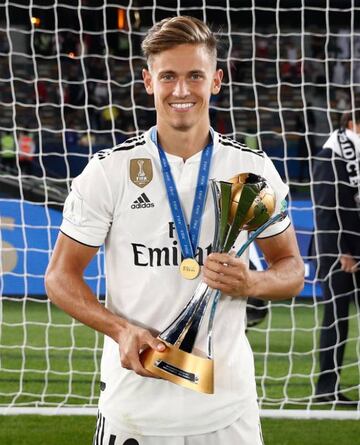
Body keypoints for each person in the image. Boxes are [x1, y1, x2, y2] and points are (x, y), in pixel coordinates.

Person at [45, 16, 304, 444]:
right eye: (168, 76)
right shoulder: (110, 171)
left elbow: (292, 269)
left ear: (216, 80)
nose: (181, 91)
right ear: (148, 81)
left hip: (227, 410)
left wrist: (252, 281)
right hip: (134, 411)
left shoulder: (251, 169)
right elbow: (58, 277)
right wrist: (120, 330)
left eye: (194, 76)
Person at [312, 110, 360, 406]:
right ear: (353, 122)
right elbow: (326, 209)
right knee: (336, 319)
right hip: (337, 254)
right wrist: (342, 250)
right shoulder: (332, 154)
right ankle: (326, 389)